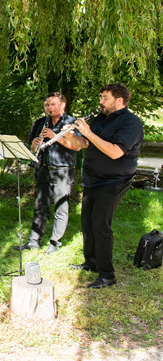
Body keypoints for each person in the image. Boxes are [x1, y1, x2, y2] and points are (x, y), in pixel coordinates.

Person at [66, 83, 143, 289]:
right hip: (93, 178)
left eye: (105, 98)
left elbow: (116, 152)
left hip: (114, 181)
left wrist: (88, 133)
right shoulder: (102, 118)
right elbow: (86, 144)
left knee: (101, 225)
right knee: (87, 223)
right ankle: (91, 263)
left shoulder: (131, 123)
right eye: (101, 97)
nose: (100, 102)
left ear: (119, 100)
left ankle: (107, 275)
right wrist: (70, 136)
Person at [14, 92, 82, 254]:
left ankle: (54, 243)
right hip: (42, 167)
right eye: (47, 105)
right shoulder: (40, 123)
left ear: (63, 105)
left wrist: (55, 136)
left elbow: (77, 147)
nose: (49, 108)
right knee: (40, 205)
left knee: (60, 206)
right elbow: (31, 146)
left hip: (62, 169)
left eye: (53, 104)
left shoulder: (71, 123)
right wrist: (34, 145)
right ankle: (34, 241)